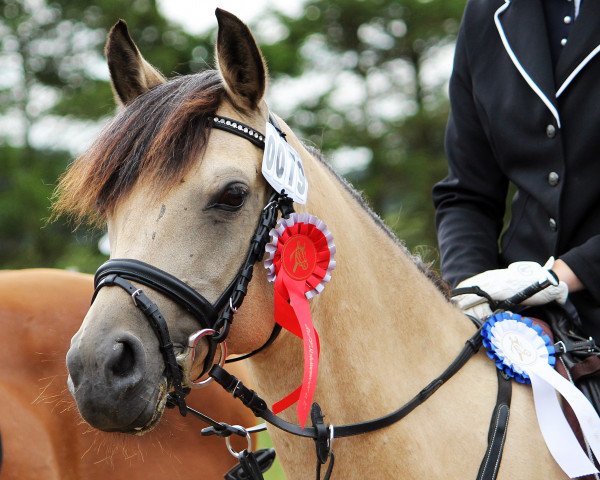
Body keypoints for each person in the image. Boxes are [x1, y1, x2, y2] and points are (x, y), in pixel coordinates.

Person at [432, 0, 600, 339]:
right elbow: (467, 194)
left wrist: (563, 275)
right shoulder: (486, 13)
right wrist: (471, 285)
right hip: (525, 319)